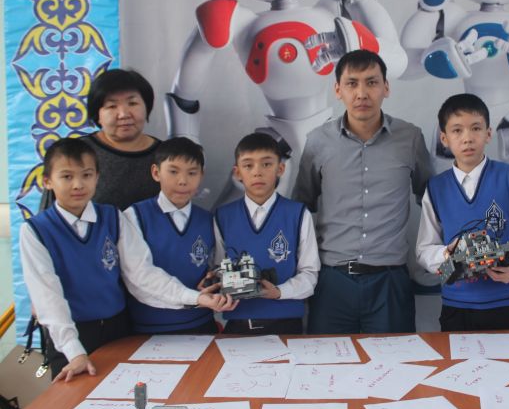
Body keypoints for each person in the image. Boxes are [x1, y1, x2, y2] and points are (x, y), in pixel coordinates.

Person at [20, 138, 235, 382]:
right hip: (71, 334)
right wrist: (74, 352)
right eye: (67, 177)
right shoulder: (36, 231)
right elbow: (47, 297)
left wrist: (198, 296)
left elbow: (142, 274)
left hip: (119, 330)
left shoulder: (112, 218)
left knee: (130, 395)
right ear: (47, 181)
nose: (78, 184)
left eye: (87, 175)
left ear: (97, 177)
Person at [293, 50, 431, 334]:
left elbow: (432, 202)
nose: (361, 93)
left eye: (371, 82)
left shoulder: (410, 138)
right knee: (328, 357)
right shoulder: (318, 141)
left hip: (389, 281)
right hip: (332, 281)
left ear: (386, 87)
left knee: (396, 359)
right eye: (352, 83)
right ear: (338, 90)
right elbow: (302, 207)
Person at [416, 93, 509, 331]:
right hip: (456, 308)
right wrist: (447, 254)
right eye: (457, 130)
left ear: (488, 134)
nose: (467, 138)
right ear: (444, 138)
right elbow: (424, 251)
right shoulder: (436, 189)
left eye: (475, 128)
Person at [214, 132, 320, 335]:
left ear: (280, 169)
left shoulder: (297, 214)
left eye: (266, 164)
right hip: (238, 325)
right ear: (237, 173)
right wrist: (225, 283)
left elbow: (309, 273)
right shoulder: (222, 216)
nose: (257, 172)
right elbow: (219, 267)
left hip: (287, 324)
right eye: (248, 165)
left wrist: (279, 292)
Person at [125, 137, 222, 334]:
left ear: (201, 175)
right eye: (173, 171)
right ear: (156, 172)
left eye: (192, 173)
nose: (183, 181)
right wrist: (194, 298)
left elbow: (217, 265)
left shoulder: (209, 220)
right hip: (147, 330)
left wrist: (216, 280)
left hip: (203, 326)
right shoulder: (134, 216)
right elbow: (140, 277)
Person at [82, 68, 161, 210]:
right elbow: (52, 215)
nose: (123, 114)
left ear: (146, 107)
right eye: (112, 106)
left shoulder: (167, 155)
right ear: (97, 114)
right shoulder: (75, 152)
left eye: (132, 103)